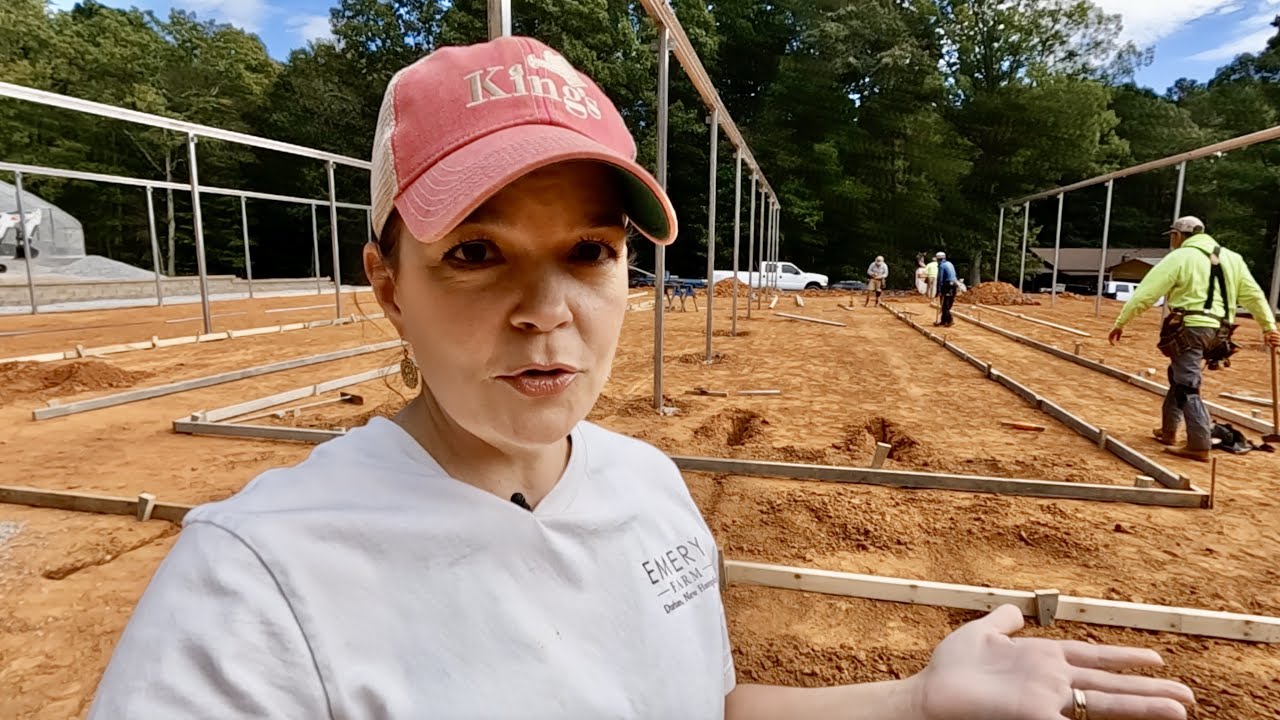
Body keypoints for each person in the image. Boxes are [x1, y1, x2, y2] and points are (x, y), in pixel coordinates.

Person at [88, 37, 1193, 720]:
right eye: (475, 253)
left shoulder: (647, 488)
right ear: (386, 282)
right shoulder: (257, 586)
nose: (545, 309)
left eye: (590, 251)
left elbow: (691, 707)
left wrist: (910, 701)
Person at [1109, 216, 1280, 462]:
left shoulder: (1180, 257)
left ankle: (1199, 443)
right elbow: (1253, 295)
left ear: (1178, 235)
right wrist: (1268, 326)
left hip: (1191, 328)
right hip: (1220, 332)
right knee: (1179, 376)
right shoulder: (1232, 258)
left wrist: (1122, 321)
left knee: (1188, 386)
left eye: (1172, 236)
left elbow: (1147, 291)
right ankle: (1169, 431)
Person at [934, 251, 959, 327]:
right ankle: (943, 320)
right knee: (948, 304)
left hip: (947, 285)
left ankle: (949, 320)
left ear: (938, 259)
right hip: (954, 285)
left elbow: (940, 279)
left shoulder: (941, 266)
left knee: (945, 305)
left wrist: (938, 290)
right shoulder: (950, 264)